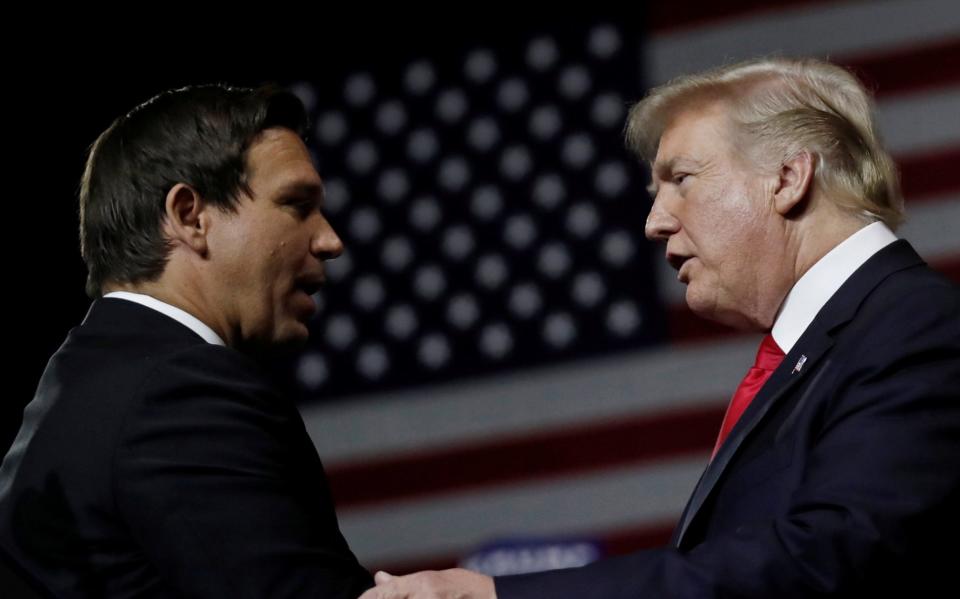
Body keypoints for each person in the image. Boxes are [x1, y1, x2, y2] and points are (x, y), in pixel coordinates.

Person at [359, 57, 960, 598]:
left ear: (787, 178)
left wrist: (502, 597)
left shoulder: (914, 324)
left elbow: (829, 558)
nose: (654, 221)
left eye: (682, 179)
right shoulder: (836, 342)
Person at [0, 84, 373, 598]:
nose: (330, 240)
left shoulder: (88, 380)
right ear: (191, 216)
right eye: (296, 204)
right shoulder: (179, 395)